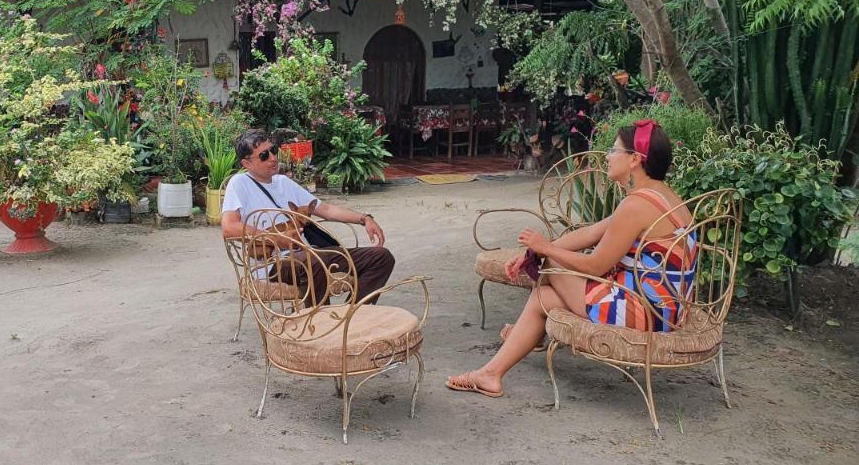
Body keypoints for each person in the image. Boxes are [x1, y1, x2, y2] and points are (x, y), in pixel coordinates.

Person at [447, 119, 697, 397]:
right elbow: (590, 233)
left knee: (550, 265)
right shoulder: (662, 196)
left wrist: (544, 250)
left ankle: (502, 362)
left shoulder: (636, 205)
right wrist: (532, 252)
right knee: (544, 299)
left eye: (615, 150)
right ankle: (490, 375)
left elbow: (596, 265)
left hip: (644, 313)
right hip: (667, 310)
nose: (608, 156)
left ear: (635, 159)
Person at [221, 130, 395, 303]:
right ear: (247, 163)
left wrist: (365, 218)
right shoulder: (240, 183)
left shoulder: (283, 182)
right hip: (273, 264)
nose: (273, 158)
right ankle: (321, 324)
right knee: (314, 263)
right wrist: (277, 239)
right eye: (264, 155)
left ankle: (353, 315)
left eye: (274, 150)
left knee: (381, 257)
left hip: (309, 252)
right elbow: (229, 228)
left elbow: (325, 209)